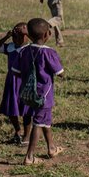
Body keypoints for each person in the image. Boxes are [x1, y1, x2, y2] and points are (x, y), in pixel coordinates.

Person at [18, 18, 65, 164]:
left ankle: (51, 148)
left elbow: (15, 71)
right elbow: (60, 72)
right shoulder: (49, 53)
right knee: (38, 123)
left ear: (29, 36)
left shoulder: (24, 51)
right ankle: (30, 156)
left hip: (28, 92)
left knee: (45, 119)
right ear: (47, 34)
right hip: (44, 94)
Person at [0, 22, 29, 143]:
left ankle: (27, 136)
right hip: (12, 82)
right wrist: (6, 36)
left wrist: (26, 32)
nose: (18, 38)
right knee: (12, 108)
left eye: (22, 36)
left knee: (27, 110)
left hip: (26, 82)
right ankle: (17, 130)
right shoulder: (10, 47)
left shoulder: (30, 48)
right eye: (15, 36)